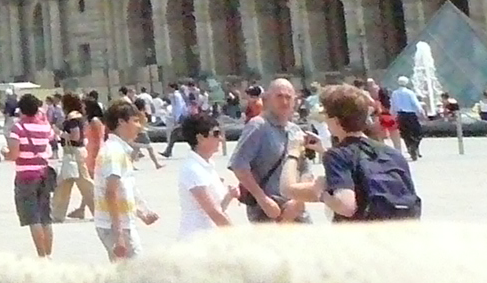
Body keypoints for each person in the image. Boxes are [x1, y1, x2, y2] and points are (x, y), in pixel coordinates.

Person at [291, 85, 423, 222]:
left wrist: (321, 194)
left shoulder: (337, 155)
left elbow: (346, 206)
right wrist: (323, 150)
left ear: (335, 121)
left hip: (363, 235)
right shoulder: (392, 153)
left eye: (326, 114)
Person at [230, 77, 307, 225]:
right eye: (279, 96)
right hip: (268, 210)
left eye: (288, 97)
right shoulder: (258, 126)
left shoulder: (295, 130)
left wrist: (298, 200)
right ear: (267, 99)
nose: (284, 102)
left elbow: (305, 169)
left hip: (295, 209)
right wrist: (262, 198)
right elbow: (239, 165)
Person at [92, 101, 158, 260]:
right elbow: (110, 192)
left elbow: (126, 189)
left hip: (121, 223)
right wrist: (119, 235)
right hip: (115, 226)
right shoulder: (114, 152)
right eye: (135, 121)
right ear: (121, 122)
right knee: (134, 277)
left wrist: (142, 212)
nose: (139, 126)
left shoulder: (119, 150)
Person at [5, 92, 57, 258]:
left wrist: (3, 153)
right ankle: (48, 254)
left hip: (26, 176)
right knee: (45, 217)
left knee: (33, 218)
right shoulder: (44, 126)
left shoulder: (18, 128)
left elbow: (13, 155)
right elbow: (52, 137)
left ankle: (41, 256)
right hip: (43, 173)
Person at [175, 114, 239, 237]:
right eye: (215, 134)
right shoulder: (192, 169)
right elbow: (212, 212)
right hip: (196, 239)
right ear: (200, 138)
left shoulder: (207, 166)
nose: (220, 139)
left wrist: (229, 196)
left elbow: (218, 208)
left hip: (211, 236)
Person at [389, 79, 425, 161]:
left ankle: (410, 147)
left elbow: (393, 104)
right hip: (411, 114)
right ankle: (414, 146)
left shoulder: (395, 93)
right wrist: (421, 112)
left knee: (405, 134)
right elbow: (415, 103)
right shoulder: (409, 92)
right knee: (418, 132)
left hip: (401, 115)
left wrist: (393, 114)